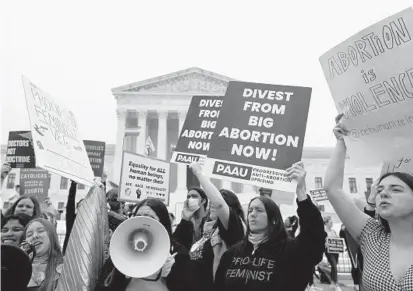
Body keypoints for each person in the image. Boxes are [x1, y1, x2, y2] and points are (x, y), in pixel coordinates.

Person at [324, 114, 413, 290]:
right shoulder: (372, 235)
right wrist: (341, 142)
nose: (384, 193)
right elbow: (333, 189)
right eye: (380, 190)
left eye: (396, 189)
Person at [214, 161, 326, 291]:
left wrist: (301, 192)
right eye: (250, 211)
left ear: (273, 219)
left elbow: (313, 236)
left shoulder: (289, 250)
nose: (252, 215)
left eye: (259, 210)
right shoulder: (232, 254)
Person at [177, 162, 245, 291]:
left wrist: (198, 173)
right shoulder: (209, 230)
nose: (212, 204)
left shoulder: (232, 228)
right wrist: (186, 219)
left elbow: (219, 204)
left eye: (216, 200)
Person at [95, 198, 190, 291]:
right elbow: (102, 287)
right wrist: (121, 273)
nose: (143, 221)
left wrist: (171, 273)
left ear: (163, 222)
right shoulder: (122, 248)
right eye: (138, 216)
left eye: (150, 217)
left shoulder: (178, 252)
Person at [22, 218, 64, 291]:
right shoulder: (19, 268)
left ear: (52, 236)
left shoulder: (66, 266)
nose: (34, 236)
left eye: (40, 231)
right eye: (29, 235)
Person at [324, 216, 341, 291]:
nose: (332, 224)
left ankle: (332, 282)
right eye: (330, 223)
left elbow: (337, 238)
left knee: (334, 266)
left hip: (335, 251)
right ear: (326, 223)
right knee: (334, 265)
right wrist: (325, 244)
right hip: (329, 251)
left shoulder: (333, 231)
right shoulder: (324, 231)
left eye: (332, 223)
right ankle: (336, 283)